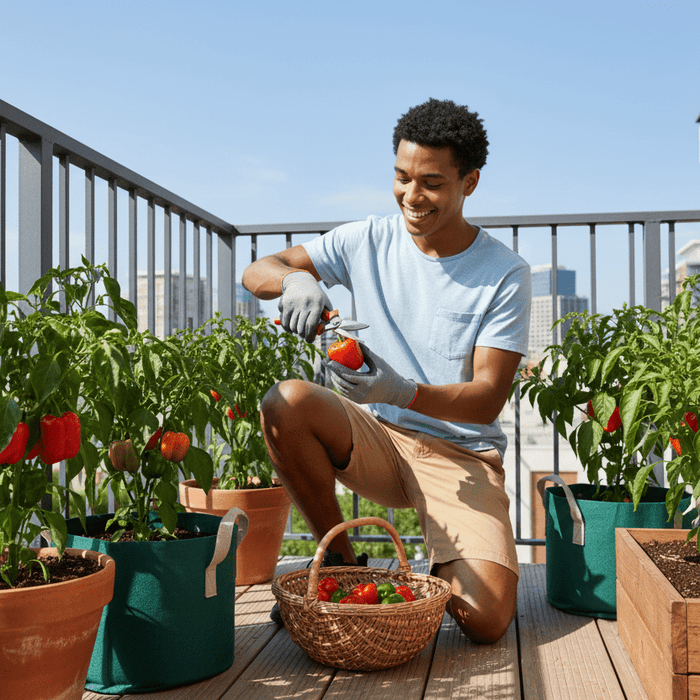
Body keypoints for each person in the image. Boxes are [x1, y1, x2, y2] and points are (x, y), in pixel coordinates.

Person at [242, 98, 531, 644]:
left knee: (488, 620)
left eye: (431, 183)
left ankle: (439, 570)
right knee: (286, 402)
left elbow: (488, 397)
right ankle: (343, 568)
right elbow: (256, 270)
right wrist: (295, 282)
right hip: (376, 436)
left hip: (459, 456)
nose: (411, 197)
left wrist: (402, 390)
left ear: (469, 183)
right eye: (401, 178)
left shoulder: (504, 273)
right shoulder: (367, 238)